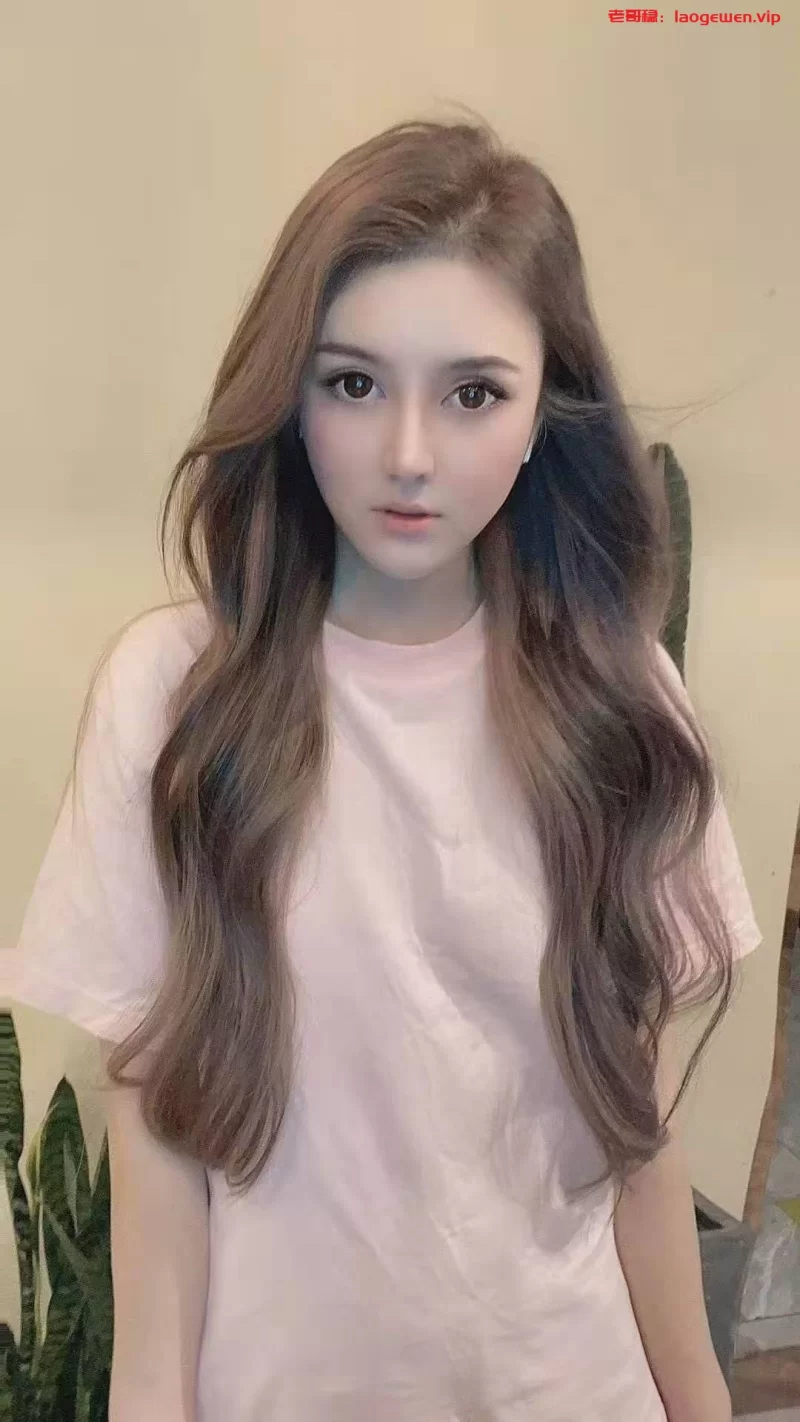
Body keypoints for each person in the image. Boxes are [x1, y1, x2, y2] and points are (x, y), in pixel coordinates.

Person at [4, 114, 762, 1422]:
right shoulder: (174, 698)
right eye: (353, 384)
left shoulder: (621, 696)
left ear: (545, 412)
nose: (410, 453)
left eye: (474, 394)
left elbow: (634, 1128)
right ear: (289, 397)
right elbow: (157, 1145)